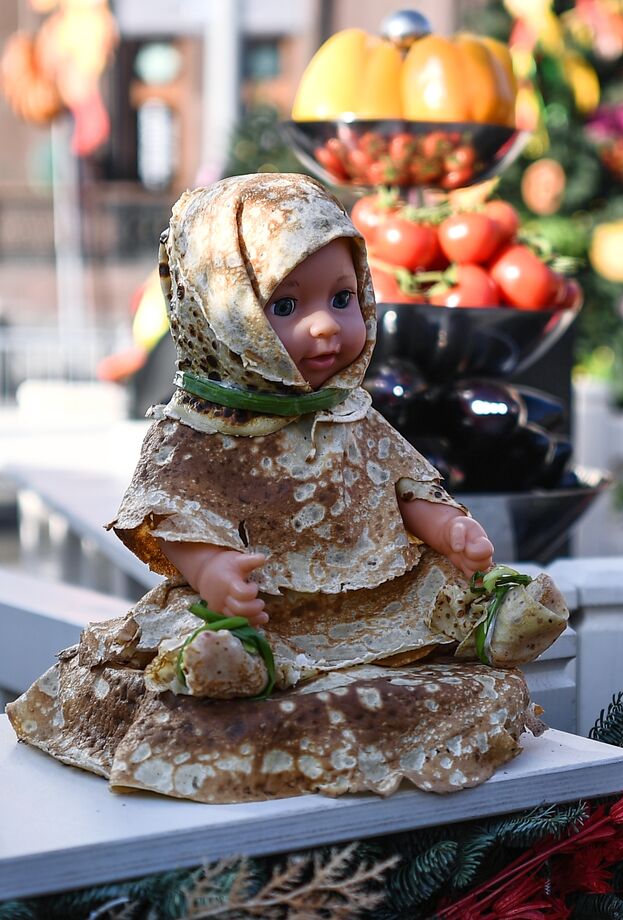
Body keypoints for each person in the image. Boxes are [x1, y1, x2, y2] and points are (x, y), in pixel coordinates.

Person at [7, 173, 569, 802]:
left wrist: (447, 528)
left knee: (448, 617)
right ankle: (237, 666)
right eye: (284, 306)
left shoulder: (350, 410)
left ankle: (489, 622)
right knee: (205, 652)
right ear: (224, 315)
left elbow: (405, 484)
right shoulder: (198, 428)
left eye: (342, 298)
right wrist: (214, 571)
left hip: (377, 599)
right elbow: (173, 514)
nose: (326, 328)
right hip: (272, 611)